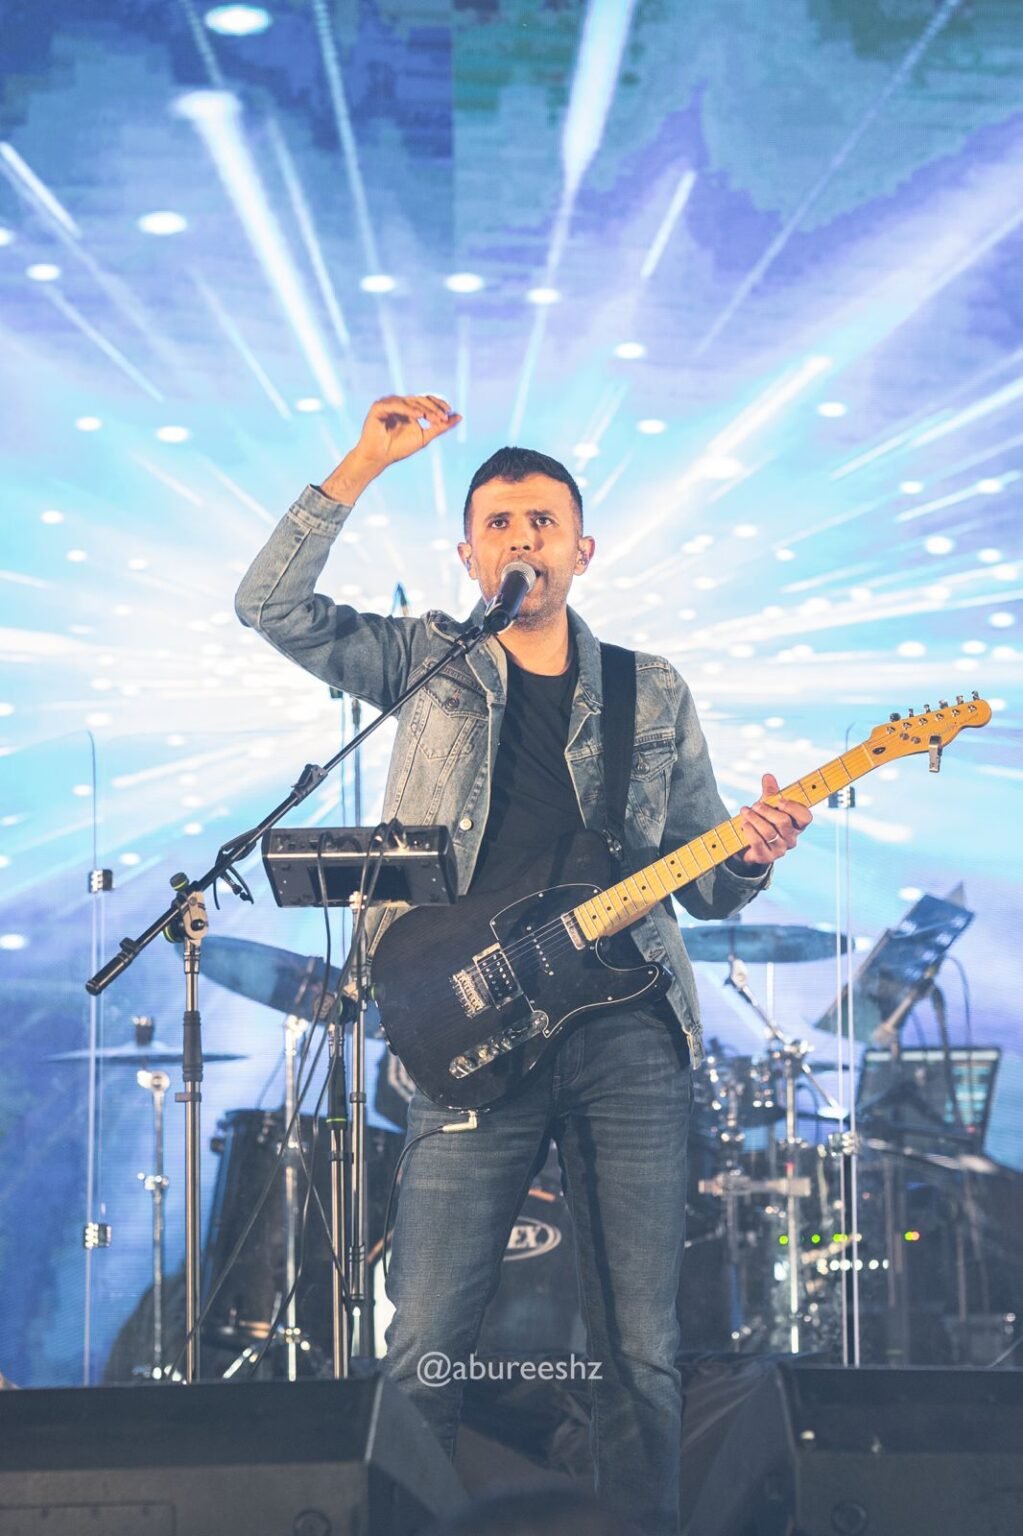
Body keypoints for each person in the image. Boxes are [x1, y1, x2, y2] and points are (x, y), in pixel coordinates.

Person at [235, 394, 811, 1535]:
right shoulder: (426, 663)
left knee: (640, 1352)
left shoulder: (651, 688)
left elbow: (700, 880)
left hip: (625, 1029)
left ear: (582, 550)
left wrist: (750, 855)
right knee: (424, 1344)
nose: (520, 538)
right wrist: (362, 462)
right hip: (466, 1020)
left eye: (542, 521)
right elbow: (270, 606)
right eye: (497, 523)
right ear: (468, 554)